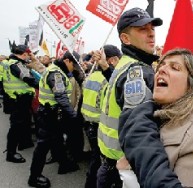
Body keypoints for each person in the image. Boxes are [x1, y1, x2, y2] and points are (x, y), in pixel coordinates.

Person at [118, 49, 193, 187]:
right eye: (161, 65)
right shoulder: (158, 113)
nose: (161, 70)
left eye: (175, 67)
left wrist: (130, 175)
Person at [96, 7, 163, 188]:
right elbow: (140, 131)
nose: (151, 34)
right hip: (123, 166)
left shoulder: (125, 64)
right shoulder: (138, 71)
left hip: (110, 161)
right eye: (142, 29)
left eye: (152, 28)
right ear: (125, 38)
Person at [28, 51, 81, 188]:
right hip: (49, 115)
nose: (74, 69)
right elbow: (61, 97)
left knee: (57, 140)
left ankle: (64, 164)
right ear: (68, 61)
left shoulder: (55, 70)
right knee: (42, 146)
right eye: (74, 65)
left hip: (52, 114)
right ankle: (34, 177)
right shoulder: (56, 74)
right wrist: (74, 116)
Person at [82, 44, 122, 188]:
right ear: (112, 60)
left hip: (89, 123)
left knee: (96, 162)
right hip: (102, 127)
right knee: (99, 164)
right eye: (119, 60)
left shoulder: (92, 76)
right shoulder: (108, 80)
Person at [3, 44, 38, 163]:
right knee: (16, 127)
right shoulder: (16, 64)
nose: (29, 57)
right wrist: (43, 86)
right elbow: (28, 79)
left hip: (15, 98)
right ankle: (11, 153)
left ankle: (23, 143)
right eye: (28, 55)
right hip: (19, 100)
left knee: (22, 123)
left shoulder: (8, 63)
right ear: (24, 54)